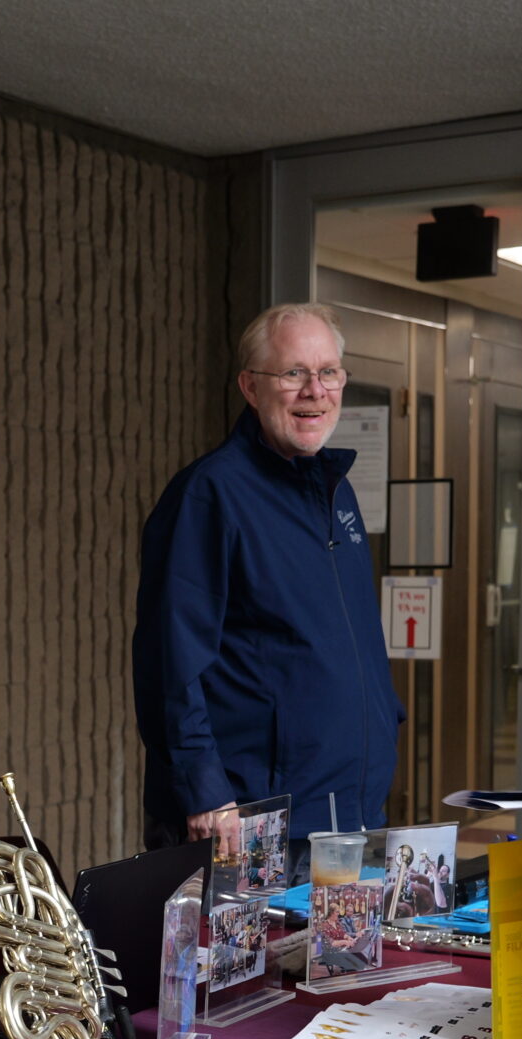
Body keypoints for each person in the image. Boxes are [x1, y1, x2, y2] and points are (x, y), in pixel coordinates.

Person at [131, 302, 403, 857]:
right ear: (250, 388)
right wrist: (204, 792)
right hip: (250, 822)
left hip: (345, 814)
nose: (315, 390)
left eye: (328, 372)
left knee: (339, 950)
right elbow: (170, 660)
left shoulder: (335, 492)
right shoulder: (211, 495)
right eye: (293, 373)